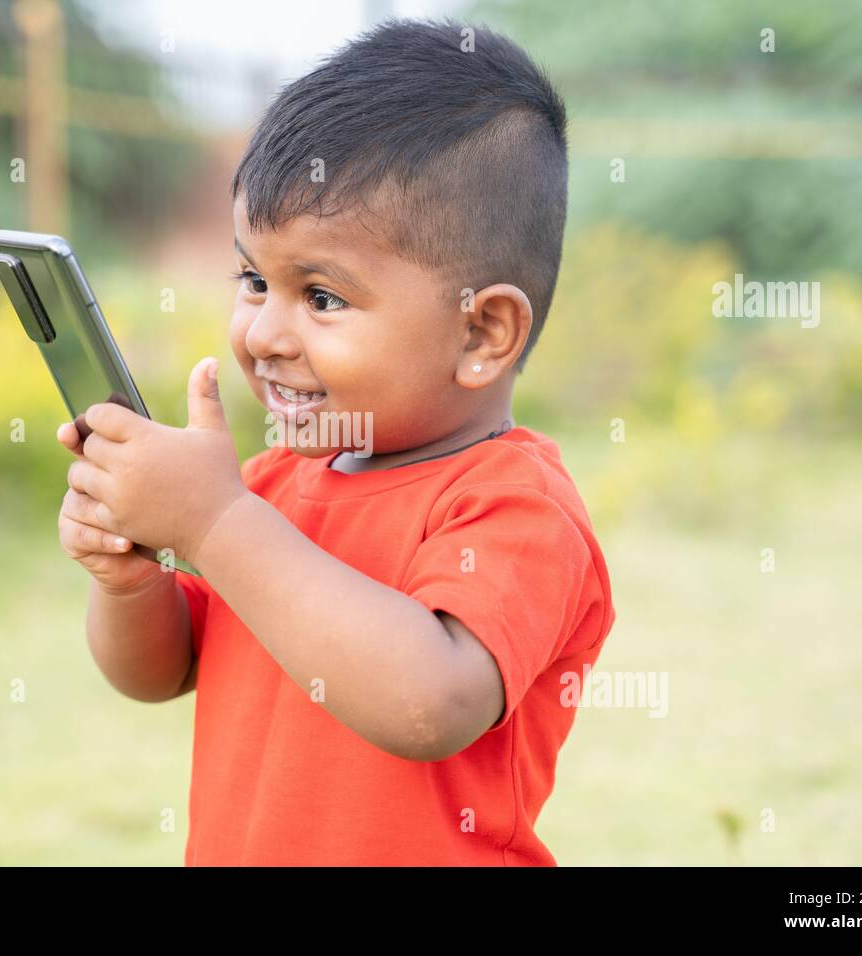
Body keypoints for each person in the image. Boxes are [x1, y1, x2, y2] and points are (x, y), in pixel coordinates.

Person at [56, 17, 614, 866]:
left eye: (321, 297)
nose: (264, 333)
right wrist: (131, 578)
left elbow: (428, 702)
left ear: (481, 333)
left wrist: (211, 525)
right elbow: (160, 673)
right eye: (252, 279)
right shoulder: (269, 485)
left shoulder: (514, 509)